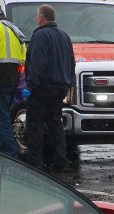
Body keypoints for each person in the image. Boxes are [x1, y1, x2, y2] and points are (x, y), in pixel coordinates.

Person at [25, 3, 74, 172]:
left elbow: (37, 63)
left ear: (40, 18)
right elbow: (71, 64)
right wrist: (69, 84)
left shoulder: (40, 36)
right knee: (55, 125)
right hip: (60, 87)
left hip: (42, 88)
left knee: (35, 125)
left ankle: (35, 162)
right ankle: (61, 161)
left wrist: (30, 86)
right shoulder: (64, 36)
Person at [0, 9, 26, 159]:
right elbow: (23, 56)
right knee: (1, 116)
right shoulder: (15, 30)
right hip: (13, 76)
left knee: (0, 118)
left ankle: (9, 154)